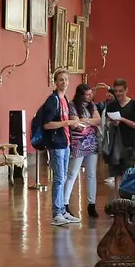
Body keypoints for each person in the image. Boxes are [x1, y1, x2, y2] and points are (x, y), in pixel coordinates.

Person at [33, 73, 79, 225]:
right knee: (59, 178)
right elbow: (47, 124)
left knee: (63, 177)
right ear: (55, 82)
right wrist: (66, 123)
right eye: (61, 80)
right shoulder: (53, 100)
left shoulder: (64, 99)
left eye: (66, 80)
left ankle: (63, 211)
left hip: (65, 143)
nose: (64, 82)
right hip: (56, 143)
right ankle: (56, 213)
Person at [66, 79, 103, 221]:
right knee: (72, 173)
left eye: (90, 94)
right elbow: (76, 122)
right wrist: (87, 121)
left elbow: (98, 120)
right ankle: (65, 203)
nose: (89, 97)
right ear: (80, 95)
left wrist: (85, 121)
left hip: (92, 142)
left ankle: (91, 204)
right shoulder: (72, 105)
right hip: (78, 142)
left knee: (91, 174)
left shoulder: (92, 105)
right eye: (87, 95)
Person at [100, 78, 135, 189]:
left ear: (126, 90)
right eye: (116, 91)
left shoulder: (133, 105)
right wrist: (112, 122)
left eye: (121, 91)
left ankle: (125, 197)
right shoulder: (112, 105)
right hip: (115, 143)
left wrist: (122, 120)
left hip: (129, 142)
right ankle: (119, 199)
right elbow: (107, 122)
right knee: (117, 173)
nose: (118, 93)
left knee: (127, 172)